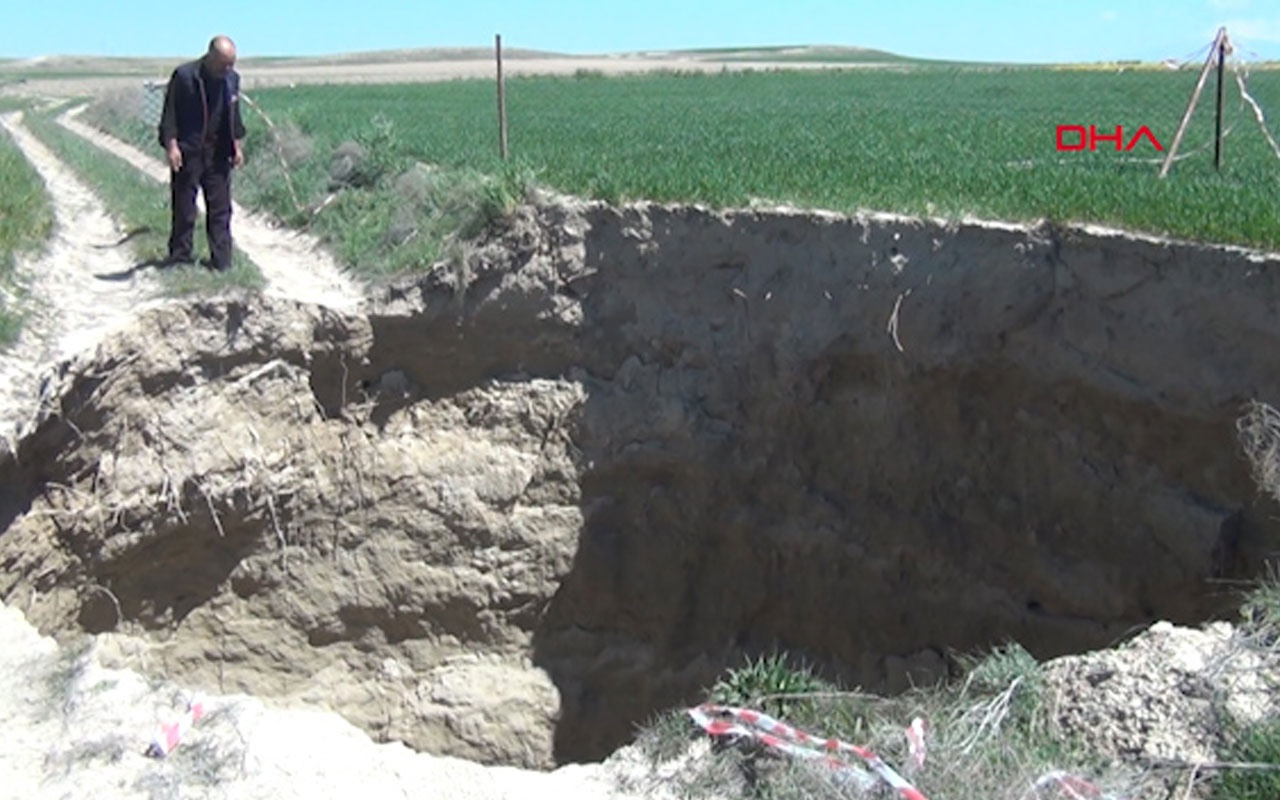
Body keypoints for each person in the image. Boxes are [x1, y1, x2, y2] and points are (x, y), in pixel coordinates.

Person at [157, 35, 246, 271]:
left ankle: (221, 262)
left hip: (218, 153)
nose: (228, 69)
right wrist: (172, 146)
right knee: (185, 208)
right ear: (210, 57)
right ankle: (180, 257)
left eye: (232, 64)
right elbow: (170, 114)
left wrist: (237, 146)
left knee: (220, 210)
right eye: (224, 64)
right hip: (189, 151)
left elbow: (234, 116)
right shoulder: (185, 76)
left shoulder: (232, 80)